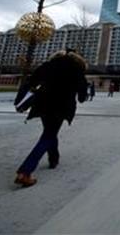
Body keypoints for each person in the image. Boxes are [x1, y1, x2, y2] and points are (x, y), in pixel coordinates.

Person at [14, 49, 88, 188]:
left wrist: (19, 101)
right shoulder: (76, 69)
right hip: (61, 106)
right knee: (49, 135)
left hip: (42, 104)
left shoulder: (47, 65)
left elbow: (30, 83)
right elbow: (82, 96)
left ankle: (54, 159)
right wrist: (81, 94)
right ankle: (25, 171)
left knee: (49, 132)